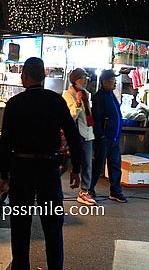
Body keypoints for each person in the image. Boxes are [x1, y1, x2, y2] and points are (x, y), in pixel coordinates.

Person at [0, 57, 82, 270]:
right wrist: (77, 168)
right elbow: (73, 135)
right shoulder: (55, 101)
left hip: (21, 169)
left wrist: (3, 175)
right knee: (53, 227)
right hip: (48, 169)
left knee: (20, 226)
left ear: (24, 76)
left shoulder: (15, 103)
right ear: (43, 77)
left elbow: (5, 142)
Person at [90, 69, 127, 203]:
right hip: (105, 137)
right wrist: (101, 136)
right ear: (105, 82)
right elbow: (97, 118)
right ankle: (89, 189)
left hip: (115, 137)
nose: (115, 83)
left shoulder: (111, 95)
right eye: (112, 81)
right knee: (98, 164)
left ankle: (116, 191)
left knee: (115, 165)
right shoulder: (99, 97)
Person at [62, 68, 96, 206]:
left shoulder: (87, 94)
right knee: (64, 163)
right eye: (83, 78)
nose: (85, 81)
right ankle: (43, 184)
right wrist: (77, 103)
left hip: (87, 133)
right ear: (75, 80)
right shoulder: (67, 95)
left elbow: (89, 114)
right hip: (74, 134)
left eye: (86, 78)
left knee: (87, 163)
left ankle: (84, 191)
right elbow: (70, 116)